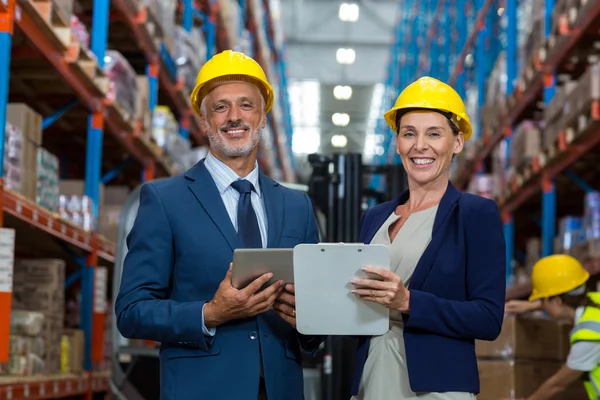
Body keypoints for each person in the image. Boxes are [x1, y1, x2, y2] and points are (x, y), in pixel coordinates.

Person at [114, 50, 321, 400]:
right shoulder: (165, 200)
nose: (234, 117)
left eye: (246, 105)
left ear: (263, 118)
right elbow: (132, 311)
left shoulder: (296, 205)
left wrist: (308, 323)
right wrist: (210, 314)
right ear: (204, 121)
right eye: (221, 107)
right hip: (201, 388)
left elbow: (317, 312)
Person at [348, 76, 506, 399]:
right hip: (372, 381)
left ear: (457, 142)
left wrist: (408, 302)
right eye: (409, 133)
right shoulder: (375, 218)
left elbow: (489, 319)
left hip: (436, 391)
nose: (420, 145)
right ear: (397, 143)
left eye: (434, 133)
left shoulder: (476, 215)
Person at [504, 254, 600, 400]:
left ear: (556, 301)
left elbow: (557, 384)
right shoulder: (595, 302)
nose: (543, 305)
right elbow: (561, 302)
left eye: (543, 299)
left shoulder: (588, 335)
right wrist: (534, 306)